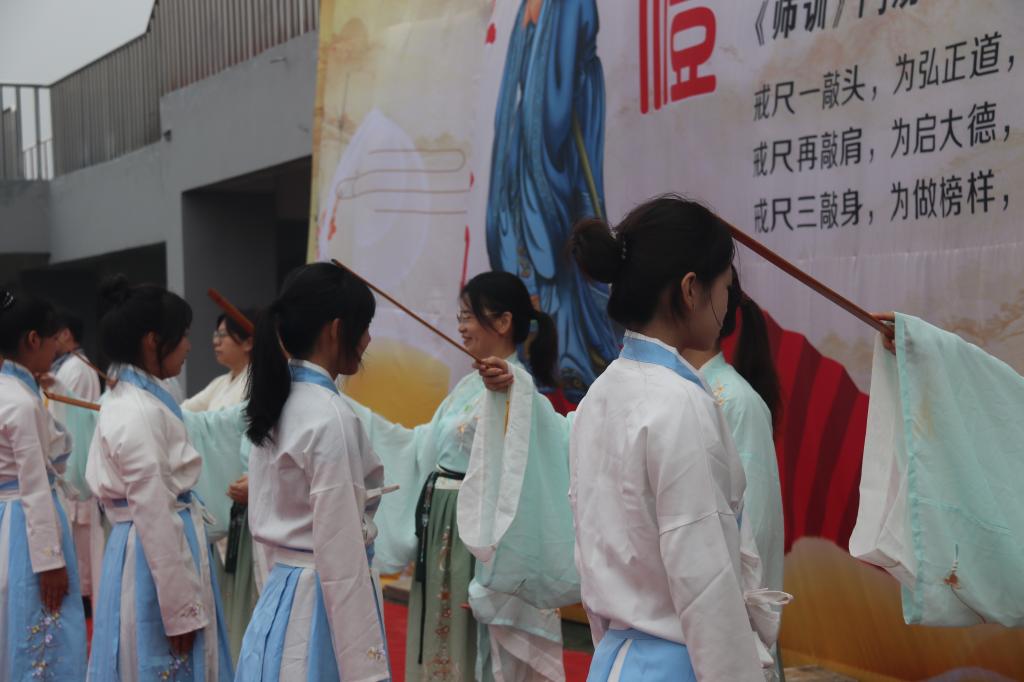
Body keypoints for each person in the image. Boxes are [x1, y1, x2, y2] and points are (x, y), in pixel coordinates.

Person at [567, 196, 787, 680]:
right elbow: (706, 582)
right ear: (691, 289)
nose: (727, 303)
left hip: (614, 659)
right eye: (724, 287)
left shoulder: (599, 395)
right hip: (678, 663)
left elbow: (589, 552)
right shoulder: (681, 402)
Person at [344, 271, 569, 681]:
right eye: (459, 316)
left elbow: (526, 465)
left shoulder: (519, 388)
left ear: (503, 322)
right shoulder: (470, 383)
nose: (461, 327)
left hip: (474, 529)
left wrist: (511, 391)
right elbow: (420, 446)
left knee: (474, 643)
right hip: (444, 523)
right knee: (443, 635)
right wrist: (350, 411)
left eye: (468, 316)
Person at [237, 263, 389, 681]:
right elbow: (341, 551)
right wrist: (366, 671)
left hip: (281, 594)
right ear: (337, 330)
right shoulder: (329, 416)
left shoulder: (277, 400)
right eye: (365, 327)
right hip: (322, 603)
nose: (368, 339)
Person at [86, 276, 233, 681]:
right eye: (182, 335)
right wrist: (180, 608)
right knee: (159, 658)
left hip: (146, 546)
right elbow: (153, 510)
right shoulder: (139, 411)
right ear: (153, 341)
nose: (189, 346)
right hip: (154, 555)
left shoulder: (133, 398)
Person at [0, 288, 88, 680]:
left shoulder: (16, 391)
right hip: (26, 523)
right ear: (33, 339)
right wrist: (50, 560)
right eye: (53, 339)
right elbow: (35, 484)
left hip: (8, 515)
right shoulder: (20, 401)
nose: (56, 349)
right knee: (39, 626)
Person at [182, 310, 261, 663]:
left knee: (248, 592)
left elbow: (222, 427)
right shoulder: (223, 382)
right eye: (215, 335)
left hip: (247, 497)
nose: (215, 341)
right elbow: (186, 414)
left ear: (248, 341)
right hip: (225, 497)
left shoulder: (257, 380)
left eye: (223, 335)